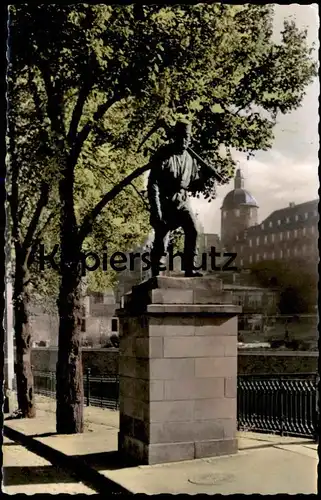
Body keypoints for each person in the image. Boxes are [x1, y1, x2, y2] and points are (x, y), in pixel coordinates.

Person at [147, 120, 216, 277]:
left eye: (188, 138)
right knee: (162, 235)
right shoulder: (164, 154)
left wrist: (205, 176)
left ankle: (189, 267)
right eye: (183, 137)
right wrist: (156, 210)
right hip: (165, 200)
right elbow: (153, 184)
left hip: (182, 201)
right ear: (176, 136)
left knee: (193, 230)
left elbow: (193, 185)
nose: (185, 141)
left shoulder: (190, 158)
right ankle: (157, 269)